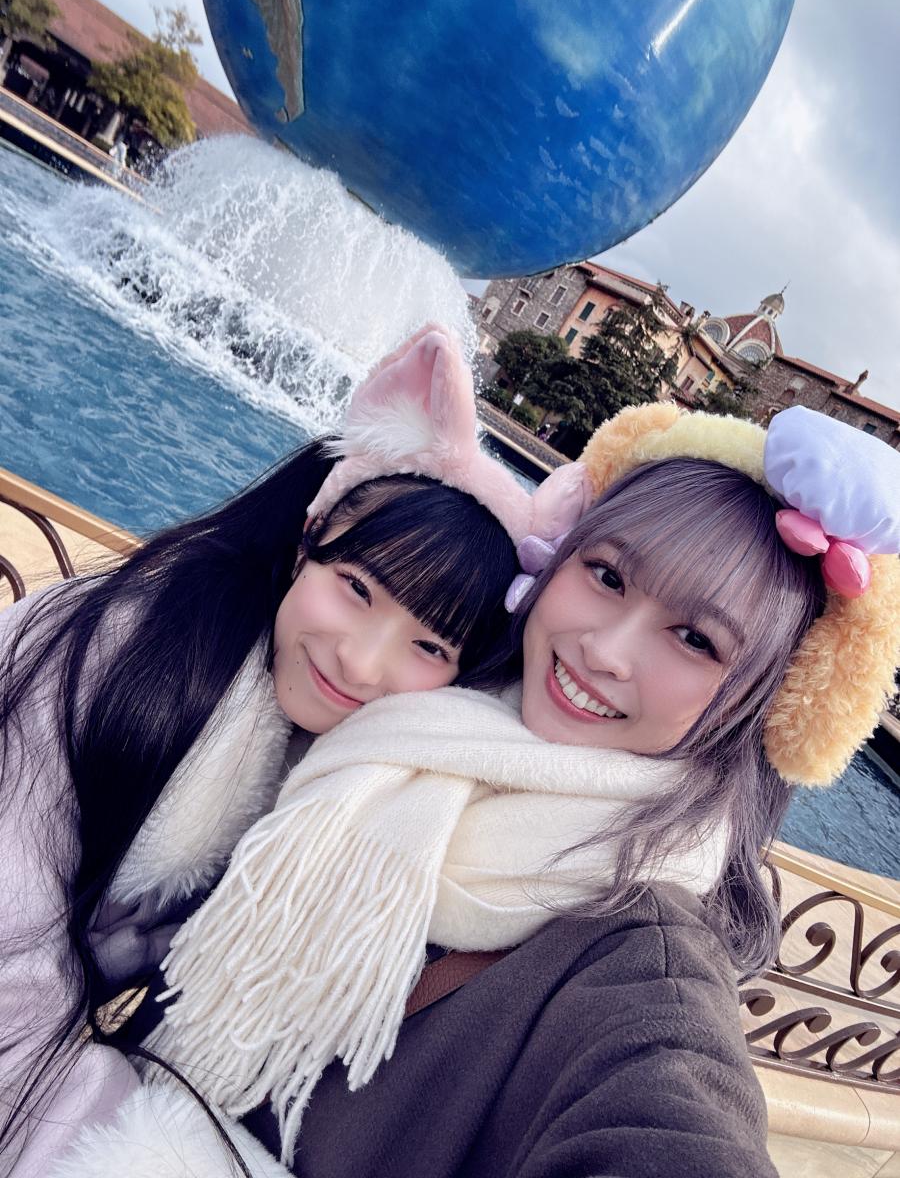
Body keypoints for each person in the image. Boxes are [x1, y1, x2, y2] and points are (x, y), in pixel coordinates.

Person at [59, 400, 899, 1178]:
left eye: (695, 639)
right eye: (607, 575)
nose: (605, 650)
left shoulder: (645, 963)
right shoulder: (406, 717)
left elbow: (672, 1123)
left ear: (763, 704)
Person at [1, 326, 579, 1177]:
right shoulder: (121, 649)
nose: (362, 663)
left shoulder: (349, 779)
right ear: (307, 538)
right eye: (357, 588)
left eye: (429, 646)